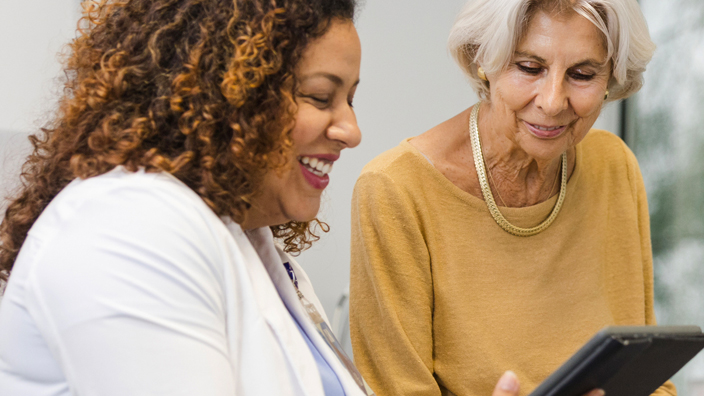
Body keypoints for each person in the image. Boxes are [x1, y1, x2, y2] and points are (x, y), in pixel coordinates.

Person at [0, 0, 370, 395]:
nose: (352, 130)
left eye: (350, 99)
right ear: (229, 93)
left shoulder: (251, 247)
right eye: (319, 96)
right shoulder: (128, 228)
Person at [349, 0, 677, 395]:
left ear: (611, 79)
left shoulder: (614, 167)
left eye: (582, 74)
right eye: (529, 68)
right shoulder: (395, 190)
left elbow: (646, 381)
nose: (553, 101)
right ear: (481, 60)